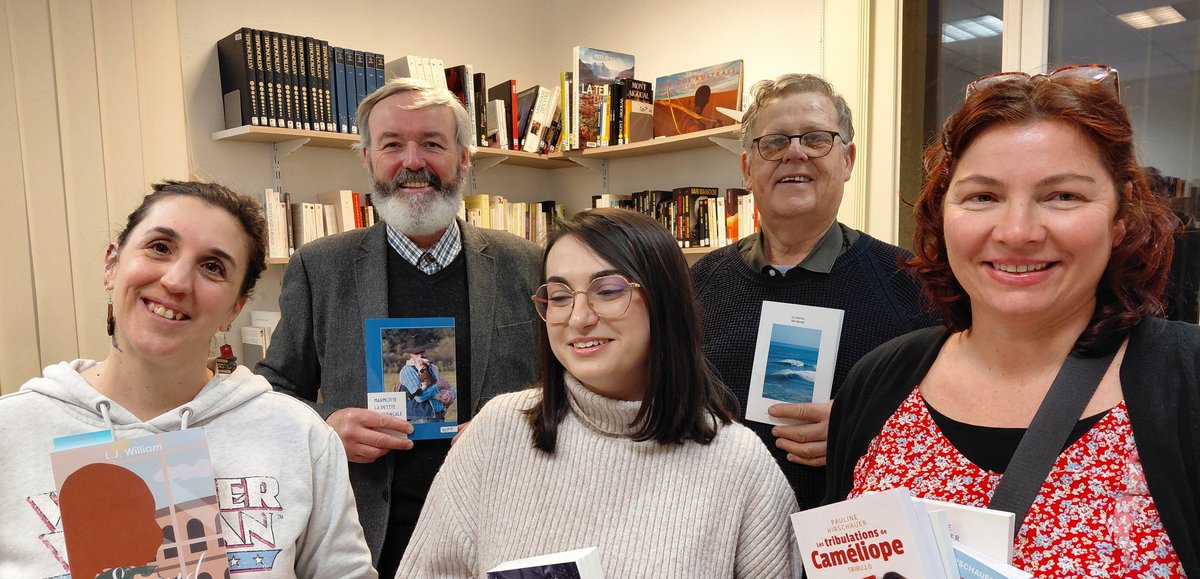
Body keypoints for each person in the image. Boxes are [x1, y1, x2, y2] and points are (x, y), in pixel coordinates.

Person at [825, 65, 1199, 576]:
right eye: (983, 196)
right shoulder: (878, 383)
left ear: (1119, 220)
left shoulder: (1187, 382)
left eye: (1063, 195)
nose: (1018, 231)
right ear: (942, 215)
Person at [397, 208, 801, 577]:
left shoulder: (738, 465)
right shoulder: (496, 433)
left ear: (664, 300)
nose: (579, 317)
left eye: (607, 291)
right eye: (558, 297)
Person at [0, 180, 375, 578]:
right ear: (112, 263)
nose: (176, 282)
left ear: (235, 308)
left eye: (212, 267)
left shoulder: (300, 436)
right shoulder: (11, 431)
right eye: (160, 247)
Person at [256, 78, 542, 576]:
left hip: (506, 531)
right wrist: (324, 426)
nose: (413, 162)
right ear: (368, 159)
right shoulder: (319, 268)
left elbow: (572, 386)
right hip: (370, 541)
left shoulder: (529, 264)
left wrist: (520, 421)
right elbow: (272, 392)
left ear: (464, 159)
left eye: (432, 143)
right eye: (392, 144)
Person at [691, 73, 938, 509]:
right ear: (748, 168)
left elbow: (963, 413)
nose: (794, 153)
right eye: (774, 142)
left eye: (816, 139)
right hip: (715, 531)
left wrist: (865, 428)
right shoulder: (698, 283)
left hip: (846, 548)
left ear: (847, 160)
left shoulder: (913, 285)